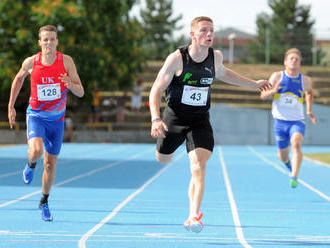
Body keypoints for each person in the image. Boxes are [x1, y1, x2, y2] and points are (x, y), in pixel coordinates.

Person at [149, 16, 271, 233]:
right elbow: (156, 90)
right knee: (162, 158)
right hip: (174, 119)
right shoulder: (177, 59)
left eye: (212, 31)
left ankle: (193, 216)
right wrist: (156, 118)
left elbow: (224, 74)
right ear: (192, 34)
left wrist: (254, 84)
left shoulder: (216, 57)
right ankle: (166, 151)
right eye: (204, 30)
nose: (209, 34)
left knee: (199, 166)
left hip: (199, 120)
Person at [8, 25, 84, 221]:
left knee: (50, 165)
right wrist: (11, 106)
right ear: (39, 42)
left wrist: (70, 84)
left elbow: (81, 91)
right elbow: (17, 80)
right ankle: (31, 165)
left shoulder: (66, 61)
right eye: (45, 39)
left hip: (57, 121)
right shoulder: (31, 62)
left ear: (57, 41)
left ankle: (44, 201)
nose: (49, 43)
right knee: (36, 151)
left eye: (52, 39)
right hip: (36, 116)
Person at [260, 48, 317, 188]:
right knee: (283, 156)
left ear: (300, 63)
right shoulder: (277, 77)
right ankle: (288, 164)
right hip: (280, 122)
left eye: (297, 59)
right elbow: (262, 96)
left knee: (296, 144)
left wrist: (309, 110)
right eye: (291, 58)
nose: (294, 61)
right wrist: (273, 91)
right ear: (285, 62)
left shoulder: (305, 80)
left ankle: (294, 176)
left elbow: (309, 93)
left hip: (297, 121)